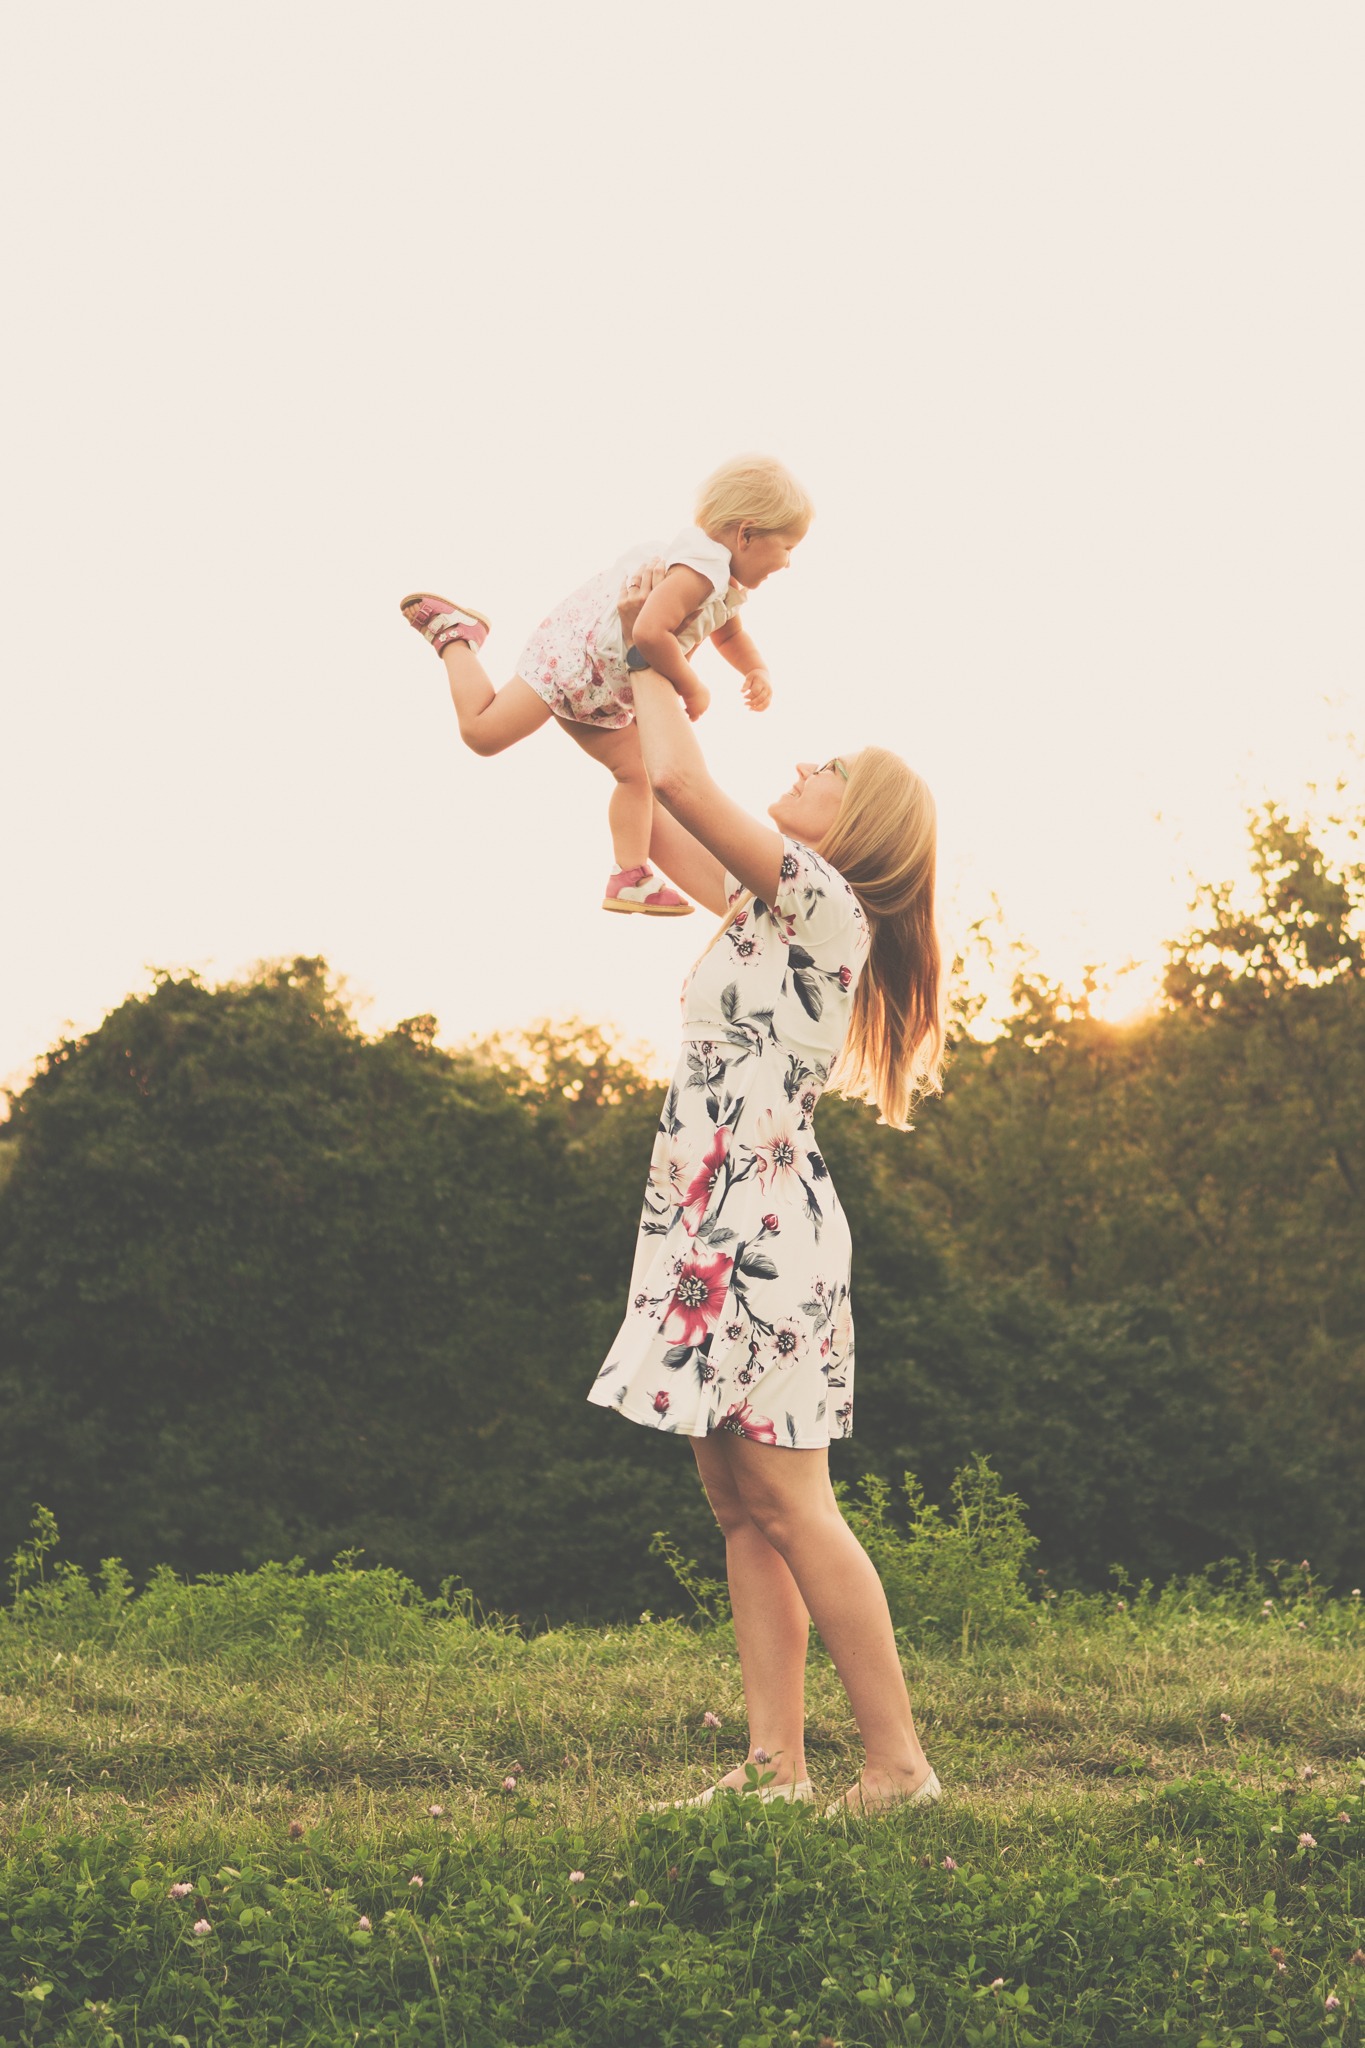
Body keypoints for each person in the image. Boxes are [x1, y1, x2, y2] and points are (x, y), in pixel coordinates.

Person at [589, 561, 946, 1816]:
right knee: (739, 1500)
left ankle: (899, 1766)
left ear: (857, 829)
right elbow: (650, 784)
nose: (807, 762)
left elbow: (686, 775)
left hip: (764, 1234)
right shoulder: (760, 907)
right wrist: (593, 688)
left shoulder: (825, 904)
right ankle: (774, 1769)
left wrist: (656, 644)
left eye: (830, 768)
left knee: (792, 1498)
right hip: (702, 1220)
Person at [399, 454, 811, 915]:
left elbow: (730, 633)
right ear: (748, 534)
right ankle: (456, 636)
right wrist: (692, 686)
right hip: (575, 665)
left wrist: (756, 670)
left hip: (604, 688)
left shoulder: (721, 578)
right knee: (482, 732)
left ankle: (629, 875)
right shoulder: (699, 569)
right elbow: (649, 632)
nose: (790, 562)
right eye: (788, 546)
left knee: (636, 774)